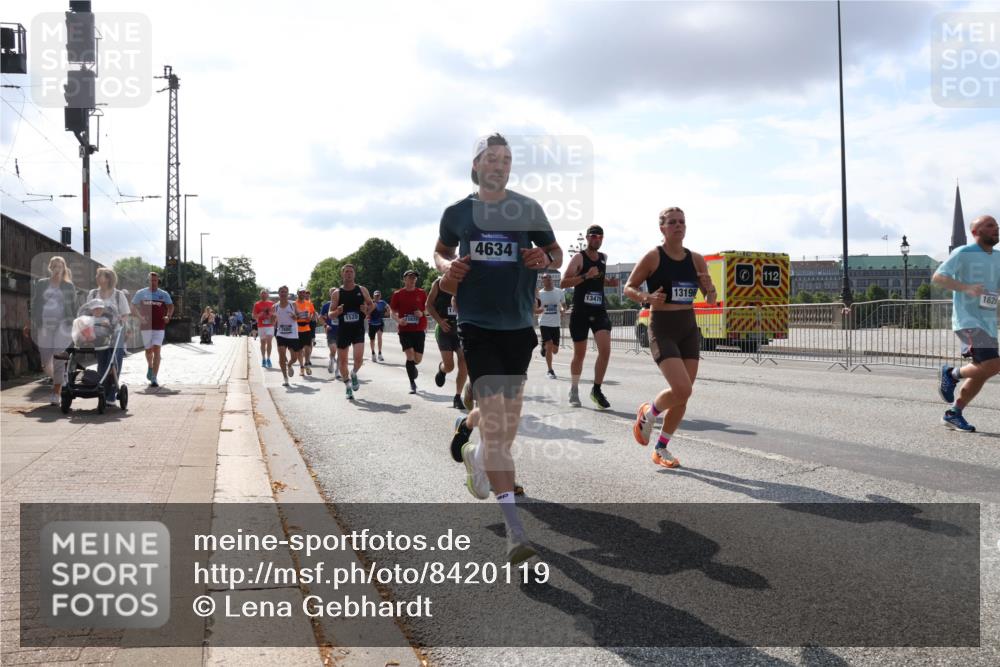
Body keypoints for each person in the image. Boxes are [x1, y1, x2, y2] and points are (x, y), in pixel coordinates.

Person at [434, 132, 562, 564]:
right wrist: (446, 266)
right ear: (476, 166)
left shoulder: (527, 208)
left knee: (505, 425)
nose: (500, 164)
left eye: (506, 158)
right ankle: (515, 532)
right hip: (477, 323)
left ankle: (474, 450)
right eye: (491, 158)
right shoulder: (457, 213)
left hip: (518, 325)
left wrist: (544, 260)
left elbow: (556, 252)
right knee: (498, 426)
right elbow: (440, 252)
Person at [624, 207, 716, 469]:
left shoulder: (696, 259)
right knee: (682, 388)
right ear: (662, 228)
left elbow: (710, 297)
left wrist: (710, 288)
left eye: (682, 222)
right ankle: (648, 412)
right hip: (662, 326)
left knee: (683, 396)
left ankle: (661, 448)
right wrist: (647, 298)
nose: (679, 226)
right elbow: (629, 287)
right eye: (672, 222)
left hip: (688, 327)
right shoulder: (654, 257)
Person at [933, 214, 1000, 432]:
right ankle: (951, 374)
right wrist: (966, 288)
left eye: (997, 226)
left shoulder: (998, 257)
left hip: (988, 321)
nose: (996, 228)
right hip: (968, 320)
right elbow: (939, 277)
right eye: (990, 226)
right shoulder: (963, 253)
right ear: (975, 232)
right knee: (992, 365)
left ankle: (953, 413)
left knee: (984, 370)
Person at [560, 224, 613, 409]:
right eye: (593, 236)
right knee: (579, 354)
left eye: (600, 236)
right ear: (587, 238)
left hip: (599, 311)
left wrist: (608, 282)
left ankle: (596, 390)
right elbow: (564, 281)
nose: (596, 239)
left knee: (605, 350)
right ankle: (574, 389)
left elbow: (598, 280)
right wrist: (585, 276)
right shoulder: (578, 257)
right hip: (580, 312)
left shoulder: (604, 258)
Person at [26, 256, 77, 405]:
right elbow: (35, 304)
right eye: (54, 266)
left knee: (58, 358)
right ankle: (61, 378)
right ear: (50, 268)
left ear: (63, 268)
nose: (56, 269)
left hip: (63, 326)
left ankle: (56, 392)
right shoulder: (42, 284)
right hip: (44, 325)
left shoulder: (69, 286)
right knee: (45, 362)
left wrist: (75, 324)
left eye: (59, 266)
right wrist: (29, 322)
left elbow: (73, 307)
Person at [330, 264, 375, 400]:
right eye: (346, 272)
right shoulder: (337, 293)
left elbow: (372, 305)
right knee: (342, 362)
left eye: (351, 271)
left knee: (358, 359)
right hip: (343, 330)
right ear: (342, 274)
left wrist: (366, 310)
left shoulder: (362, 290)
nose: (349, 274)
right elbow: (330, 314)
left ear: (354, 274)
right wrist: (337, 312)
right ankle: (348, 386)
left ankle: (354, 373)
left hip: (358, 329)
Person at [87, 268, 131, 403]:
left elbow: (125, 314)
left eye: (99, 275)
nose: (96, 277)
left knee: (114, 361)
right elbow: (87, 311)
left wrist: (120, 322)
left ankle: (111, 395)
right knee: (102, 362)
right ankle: (102, 392)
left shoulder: (118, 295)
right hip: (99, 333)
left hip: (115, 331)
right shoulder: (93, 293)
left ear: (108, 278)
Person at [427, 276, 468, 410]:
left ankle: (457, 397)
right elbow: (428, 305)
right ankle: (442, 369)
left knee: (463, 361)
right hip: (444, 329)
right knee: (450, 366)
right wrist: (439, 321)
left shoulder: (466, 282)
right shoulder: (438, 283)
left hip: (460, 329)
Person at [130, 271, 174, 388]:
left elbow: (170, 306)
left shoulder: (163, 294)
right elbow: (133, 306)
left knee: (157, 350)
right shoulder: (141, 293)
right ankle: (150, 366)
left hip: (159, 326)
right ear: (148, 281)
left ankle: (154, 377)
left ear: (158, 281)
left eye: (155, 280)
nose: (153, 282)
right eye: (151, 280)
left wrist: (168, 316)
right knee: (148, 351)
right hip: (146, 326)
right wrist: (140, 317)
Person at [390, 270, 428, 394]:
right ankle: (412, 383)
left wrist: (422, 313)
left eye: (414, 278)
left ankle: (412, 368)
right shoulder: (398, 294)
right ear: (404, 279)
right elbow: (392, 312)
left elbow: (428, 309)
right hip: (405, 330)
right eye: (410, 278)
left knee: (418, 359)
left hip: (419, 330)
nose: (412, 280)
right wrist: (399, 320)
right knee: (410, 355)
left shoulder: (422, 293)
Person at [534, 272, 566, 379]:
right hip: (544, 323)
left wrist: (562, 310)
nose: (548, 279)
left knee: (555, 350)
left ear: (552, 279)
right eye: (545, 278)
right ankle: (550, 370)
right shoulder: (540, 294)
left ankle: (544, 346)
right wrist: (541, 310)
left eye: (549, 278)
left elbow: (562, 304)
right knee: (550, 344)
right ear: (542, 281)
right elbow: (536, 310)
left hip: (555, 324)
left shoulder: (559, 292)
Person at [272, 286, 300, 387]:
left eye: (285, 292)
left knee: (294, 358)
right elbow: (272, 322)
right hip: (281, 334)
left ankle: (289, 365)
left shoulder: (293, 304)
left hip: (293, 334)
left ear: (287, 294)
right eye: (282, 292)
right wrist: (273, 318)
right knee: (282, 355)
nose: (283, 294)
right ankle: (285, 378)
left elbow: (298, 316)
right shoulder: (275, 306)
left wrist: (295, 317)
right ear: (279, 294)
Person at [293, 288, 316, 376]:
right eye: (301, 292)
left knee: (308, 348)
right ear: (297, 293)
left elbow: (312, 313)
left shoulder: (309, 303)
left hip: (307, 328)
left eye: (304, 292)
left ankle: (306, 363)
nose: (303, 294)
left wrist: (310, 317)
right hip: (297, 329)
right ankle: (301, 367)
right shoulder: (294, 304)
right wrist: (296, 316)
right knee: (299, 350)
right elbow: (291, 315)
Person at [320, 288, 341, 378]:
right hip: (331, 330)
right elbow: (320, 317)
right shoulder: (326, 305)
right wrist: (325, 325)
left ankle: (337, 372)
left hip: (342, 331)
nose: (334, 294)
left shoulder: (342, 305)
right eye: (332, 293)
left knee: (341, 352)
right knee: (333, 349)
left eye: (335, 293)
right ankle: (332, 360)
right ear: (330, 295)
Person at [253, 290, 275, 367]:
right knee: (263, 343)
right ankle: (263, 359)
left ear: (267, 295)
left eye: (265, 294)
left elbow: (275, 314)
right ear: (260, 295)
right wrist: (260, 314)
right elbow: (254, 316)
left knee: (269, 341)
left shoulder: (272, 304)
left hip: (270, 325)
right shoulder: (257, 304)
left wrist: (271, 315)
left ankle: (268, 358)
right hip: (261, 326)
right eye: (262, 294)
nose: (264, 295)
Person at [368, 290, 390, 362]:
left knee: (379, 337)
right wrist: (372, 308)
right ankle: (373, 353)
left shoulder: (382, 302)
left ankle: (380, 353)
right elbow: (367, 312)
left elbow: (388, 307)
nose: (377, 297)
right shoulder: (371, 302)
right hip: (371, 323)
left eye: (378, 295)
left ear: (380, 296)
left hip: (379, 323)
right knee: (372, 340)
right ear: (373, 296)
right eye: (376, 295)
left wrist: (387, 312)